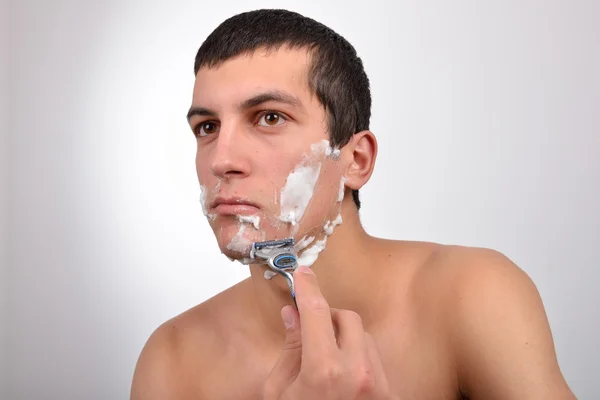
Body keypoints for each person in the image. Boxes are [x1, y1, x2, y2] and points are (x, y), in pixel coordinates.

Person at [131, 9, 575, 399]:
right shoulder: (174, 359)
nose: (222, 160)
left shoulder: (473, 297)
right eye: (207, 127)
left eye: (269, 117)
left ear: (356, 161)